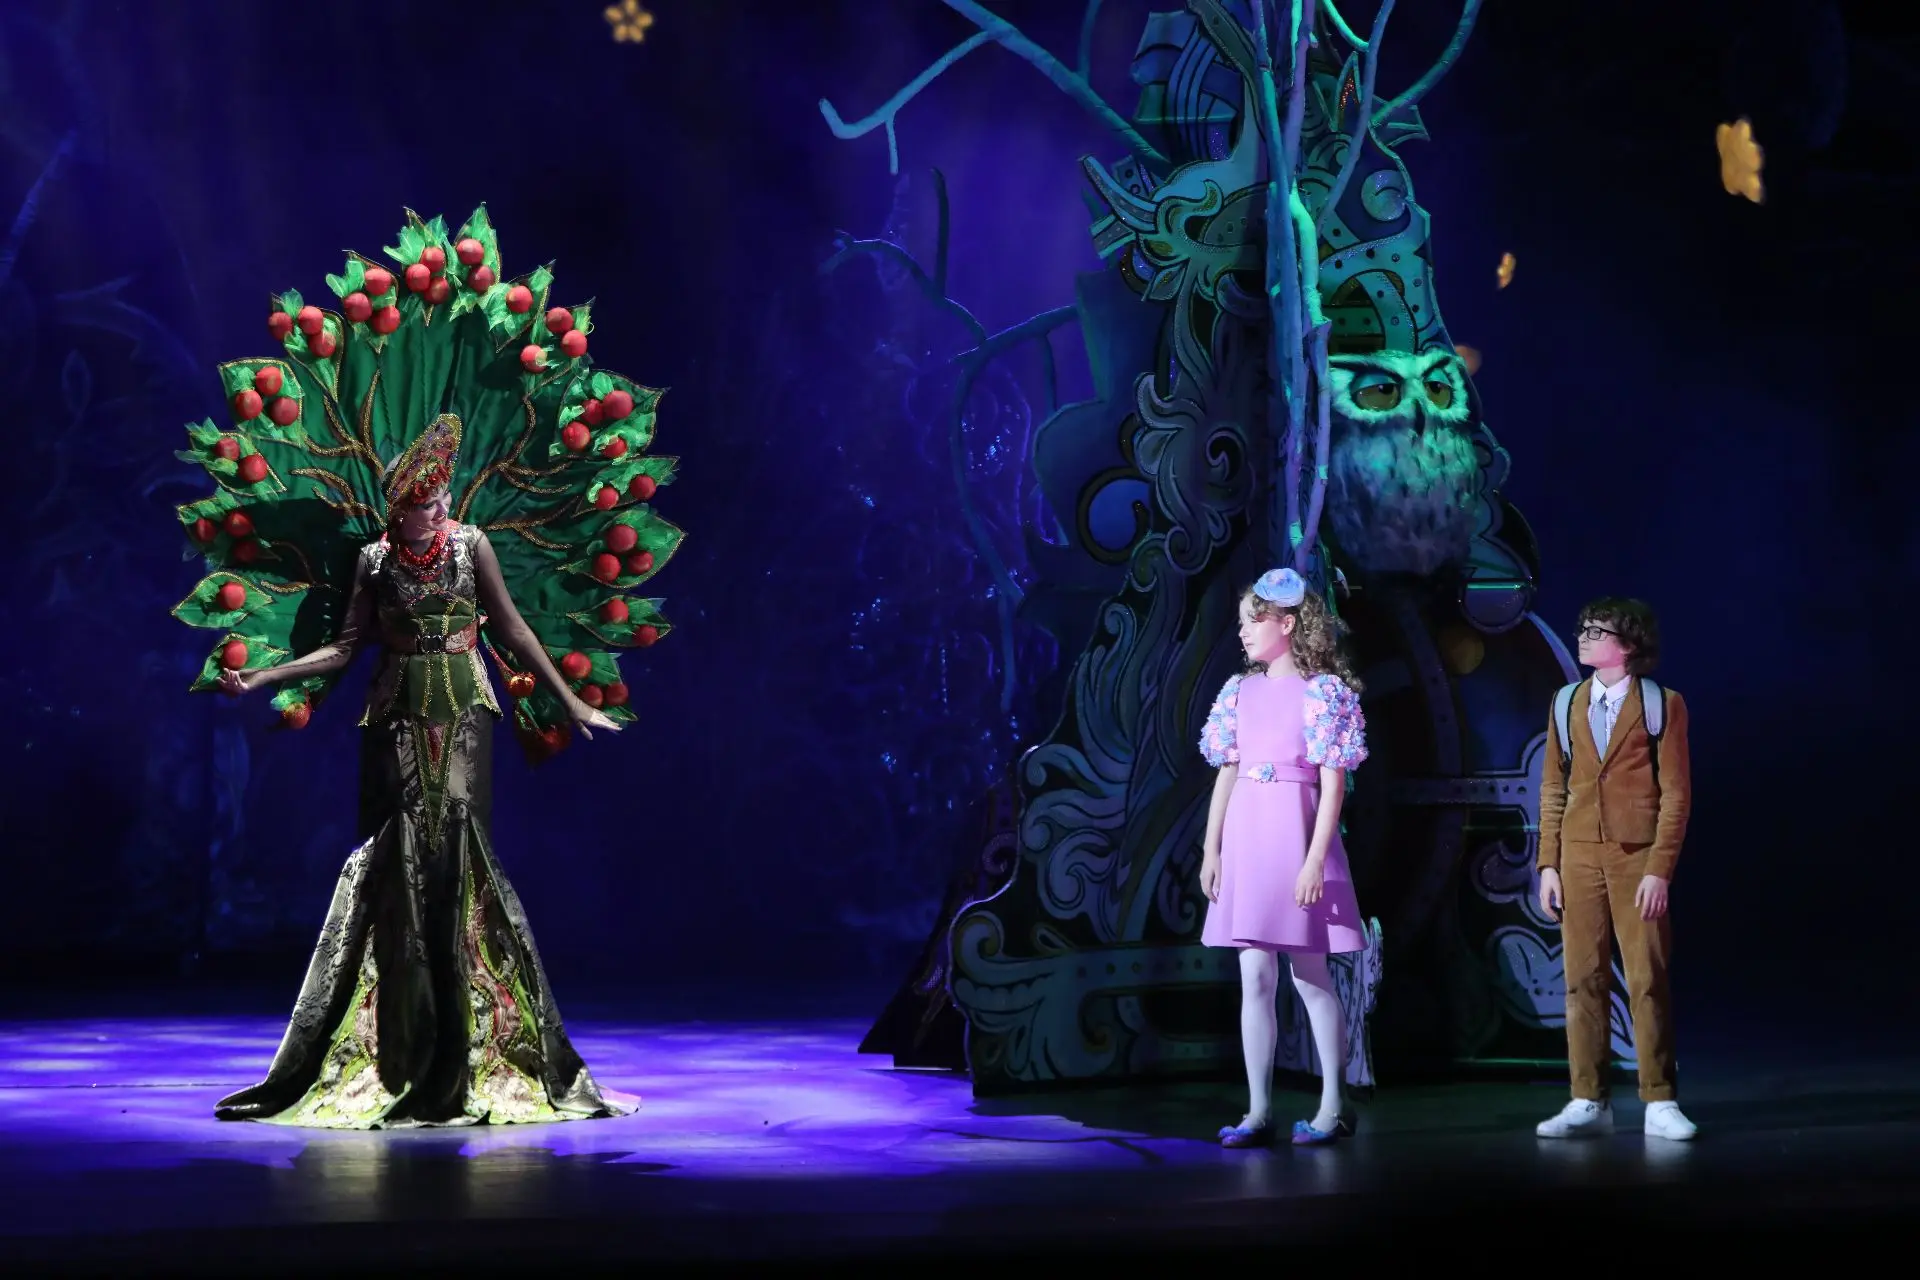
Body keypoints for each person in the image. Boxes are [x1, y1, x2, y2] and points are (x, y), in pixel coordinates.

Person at [212, 417, 634, 1128]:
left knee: (460, 850)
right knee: (399, 854)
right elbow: (345, 646)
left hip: (466, 711)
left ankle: (477, 1038)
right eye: (425, 504)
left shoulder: (472, 546)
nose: (439, 511)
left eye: (442, 500)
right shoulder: (375, 561)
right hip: (396, 715)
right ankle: (401, 1041)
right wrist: (260, 678)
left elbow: (513, 628)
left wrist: (572, 704)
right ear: (399, 509)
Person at [1199, 567, 1369, 1147]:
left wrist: (1315, 860)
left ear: (1288, 624)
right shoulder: (1238, 691)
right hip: (1248, 836)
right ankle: (1257, 1109)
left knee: (1310, 974)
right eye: (1242, 622)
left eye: (1254, 620)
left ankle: (1333, 1105)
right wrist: (1212, 849)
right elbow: (1227, 772)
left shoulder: (1322, 692)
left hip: (1296, 837)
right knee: (1254, 975)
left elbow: (1333, 785)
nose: (1243, 631)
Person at [1534, 597, 1696, 1141]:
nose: (1583, 636)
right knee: (1582, 979)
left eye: (1596, 630)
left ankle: (1659, 1098)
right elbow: (1554, 787)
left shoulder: (1661, 704)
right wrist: (1548, 863)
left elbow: (1676, 795)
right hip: (1578, 857)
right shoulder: (1566, 702)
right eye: (1582, 628)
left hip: (1635, 858)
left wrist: (1659, 868)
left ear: (1628, 645)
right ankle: (1588, 1097)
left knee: (1647, 977)